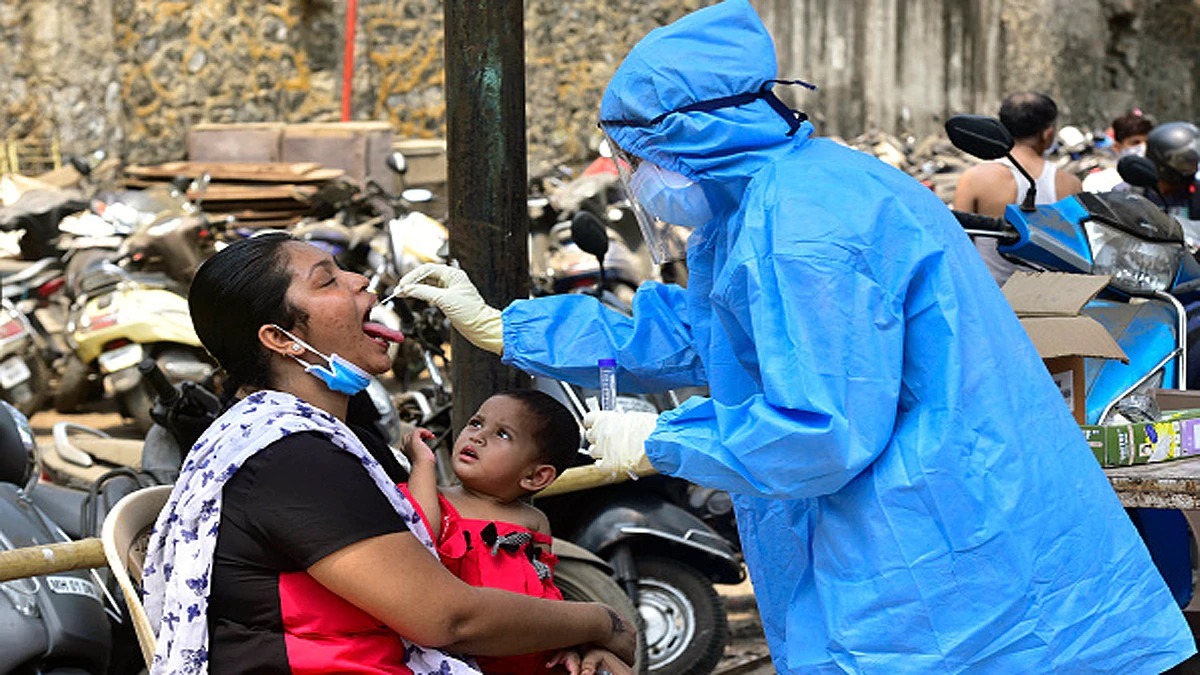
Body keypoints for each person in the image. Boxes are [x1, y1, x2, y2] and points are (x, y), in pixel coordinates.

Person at [396, 1, 1195, 672]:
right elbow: (701, 332)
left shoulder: (803, 229)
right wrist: (514, 327)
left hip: (943, 566)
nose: (634, 176)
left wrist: (659, 440)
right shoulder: (760, 201)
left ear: (690, 137)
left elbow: (822, 429)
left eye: (635, 157)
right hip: (927, 537)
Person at [141, 232, 636, 674]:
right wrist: (602, 621)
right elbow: (447, 617)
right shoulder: (289, 457)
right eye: (327, 281)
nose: (360, 281)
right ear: (280, 339)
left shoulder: (335, 435)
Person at [402, 389, 600, 675]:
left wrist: (563, 642)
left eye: (502, 434)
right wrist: (422, 465)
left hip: (524, 656)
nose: (477, 436)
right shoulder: (432, 497)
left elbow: (545, 591)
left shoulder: (534, 521)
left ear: (535, 476)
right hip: (450, 657)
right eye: (476, 423)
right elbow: (420, 537)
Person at [952, 91, 1083, 284]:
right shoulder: (1069, 183)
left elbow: (959, 249)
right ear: (1047, 133)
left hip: (990, 300)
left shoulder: (974, 179)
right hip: (1049, 302)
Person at [1081, 108, 1156, 193]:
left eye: (1147, 142)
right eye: (1135, 143)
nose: (1143, 147)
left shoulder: (1159, 182)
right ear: (1117, 146)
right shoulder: (1099, 182)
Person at [1138, 120, 1200, 220]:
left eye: (1193, 161)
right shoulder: (1134, 194)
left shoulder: (1195, 194)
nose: (1192, 168)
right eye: (1183, 161)